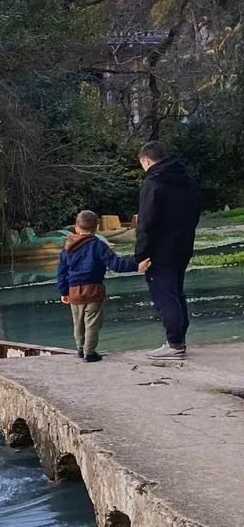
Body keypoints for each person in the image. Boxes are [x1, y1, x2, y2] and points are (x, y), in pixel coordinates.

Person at [134, 141, 203, 358]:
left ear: (146, 160)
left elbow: (146, 222)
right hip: (183, 245)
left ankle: (174, 343)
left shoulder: (153, 183)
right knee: (177, 293)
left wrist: (141, 254)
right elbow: (196, 212)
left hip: (159, 250)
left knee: (165, 296)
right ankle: (179, 338)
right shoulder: (187, 180)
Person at [57, 210, 149, 362]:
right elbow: (116, 265)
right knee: (92, 322)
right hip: (93, 290)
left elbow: (61, 272)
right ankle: (90, 352)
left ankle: (80, 349)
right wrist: (136, 266)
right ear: (97, 228)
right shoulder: (98, 245)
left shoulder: (67, 248)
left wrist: (63, 291)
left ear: (76, 228)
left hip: (73, 291)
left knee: (78, 322)